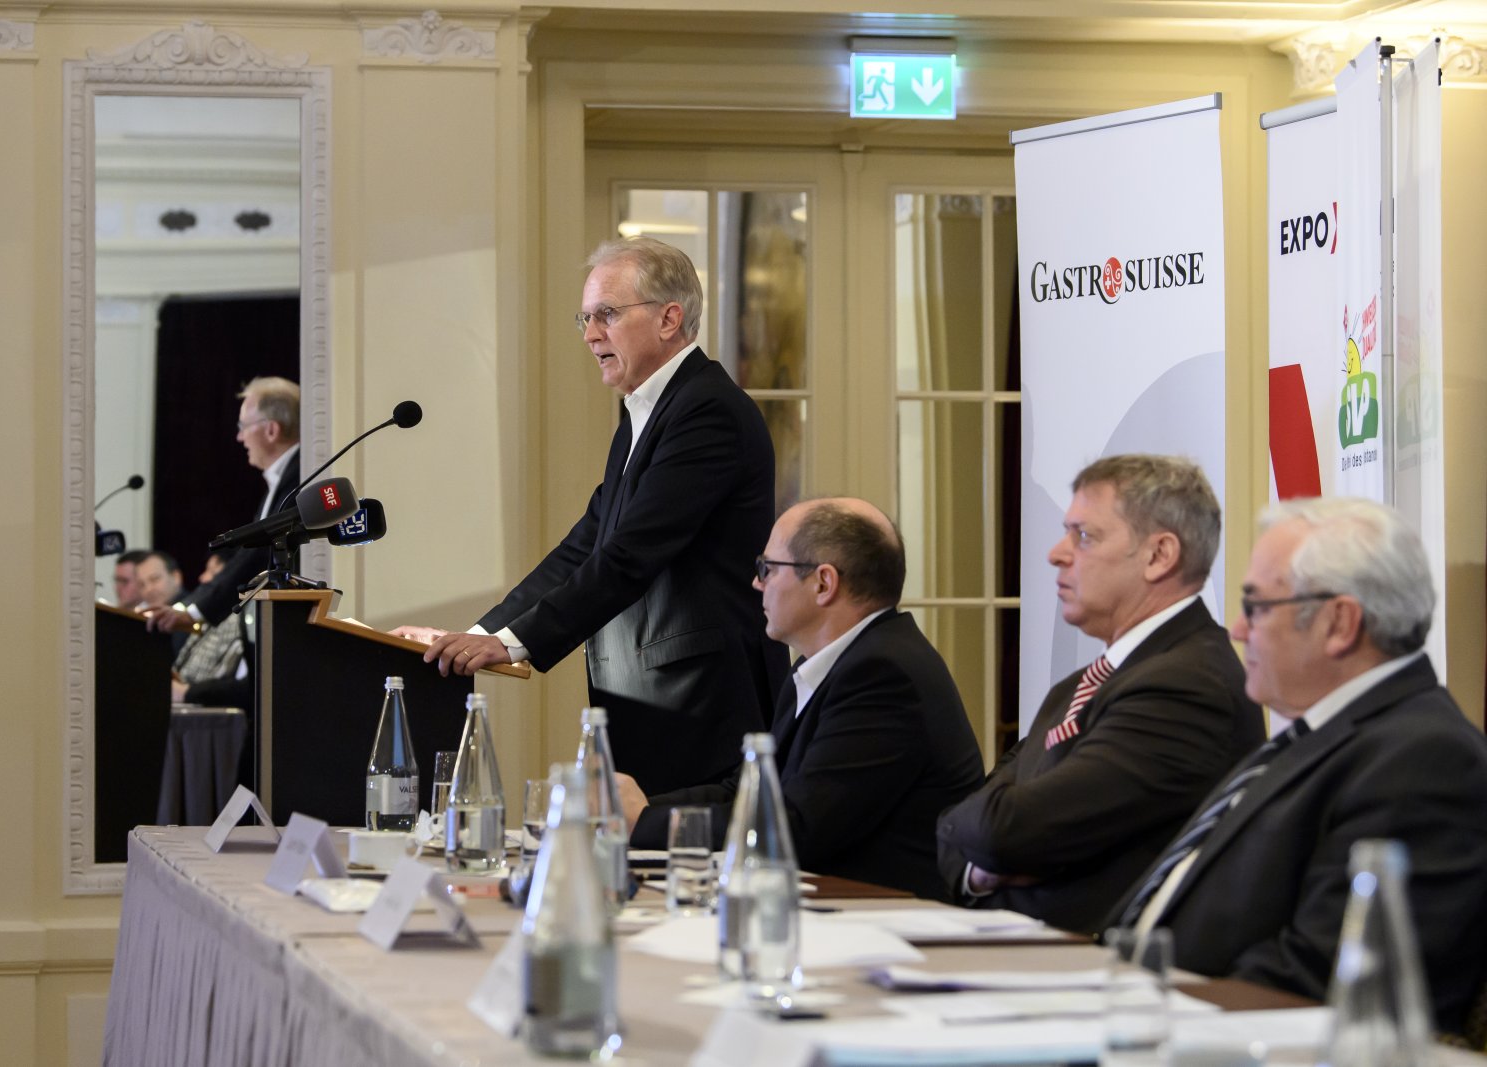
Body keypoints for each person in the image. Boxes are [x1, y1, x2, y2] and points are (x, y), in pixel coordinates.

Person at [397, 237, 786, 795]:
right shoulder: (647, 411)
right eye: (585, 317)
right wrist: (483, 634)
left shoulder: (707, 410)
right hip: (658, 705)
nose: (590, 334)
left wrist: (512, 643)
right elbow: (588, 543)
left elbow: (631, 555)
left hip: (701, 708)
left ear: (669, 319)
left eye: (606, 314)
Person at [1104, 496, 1487, 1034]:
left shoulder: (1424, 761)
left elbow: (1327, 979)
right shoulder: (1316, 735)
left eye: (1256, 606)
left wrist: (1135, 1015)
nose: (1237, 629)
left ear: (1339, 621)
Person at [936, 454, 1263, 933]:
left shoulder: (1186, 686)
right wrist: (980, 861)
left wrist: (989, 835)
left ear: (1159, 556)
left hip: (1108, 978)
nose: (1056, 553)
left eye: (1084, 536)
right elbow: (964, 826)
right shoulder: (1085, 682)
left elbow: (1008, 830)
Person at [616, 497, 985, 899]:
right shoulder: (826, 666)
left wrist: (647, 822)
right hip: (834, 909)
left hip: (888, 926)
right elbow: (747, 788)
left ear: (823, 583)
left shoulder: (884, 675)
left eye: (767, 569)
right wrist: (633, 806)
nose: (756, 582)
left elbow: (795, 829)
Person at [148, 376, 301, 633]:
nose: (240, 437)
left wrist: (195, 611)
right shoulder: (284, 477)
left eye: (243, 426)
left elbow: (259, 555)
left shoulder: (297, 478)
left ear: (271, 430)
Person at [172, 550, 248, 704]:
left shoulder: (237, 619)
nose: (203, 578)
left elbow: (206, 677)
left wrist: (184, 691)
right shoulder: (205, 616)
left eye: (212, 572)